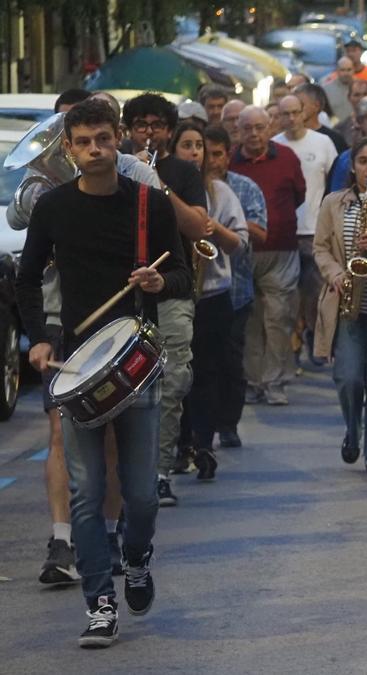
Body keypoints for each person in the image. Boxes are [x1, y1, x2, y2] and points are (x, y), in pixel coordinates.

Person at [17, 98, 189, 648]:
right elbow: (25, 279)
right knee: (88, 490)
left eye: (103, 140)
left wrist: (162, 283)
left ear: (118, 141)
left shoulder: (148, 206)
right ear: (68, 149)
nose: (95, 150)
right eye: (84, 142)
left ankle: (136, 556)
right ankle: (100, 603)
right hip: (75, 363)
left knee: (140, 496)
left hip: (136, 361)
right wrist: (39, 339)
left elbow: (184, 271)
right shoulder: (52, 209)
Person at [122, 93, 211, 501]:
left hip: (173, 287)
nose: (149, 132)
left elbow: (196, 227)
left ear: (170, 132)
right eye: (140, 124)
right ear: (128, 131)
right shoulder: (116, 170)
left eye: (157, 125)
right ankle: (130, 472)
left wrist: (157, 184)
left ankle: (160, 471)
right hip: (124, 291)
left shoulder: (183, 172)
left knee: (173, 379)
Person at [312, 138, 367, 474]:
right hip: (346, 300)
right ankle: (352, 429)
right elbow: (320, 248)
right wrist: (334, 274)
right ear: (353, 166)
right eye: (363, 161)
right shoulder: (334, 202)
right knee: (348, 378)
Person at [171, 122, 249, 480]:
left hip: (213, 294)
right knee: (177, 375)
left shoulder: (220, 192)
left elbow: (240, 245)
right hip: (175, 294)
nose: (194, 152)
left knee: (207, 372)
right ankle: (180, 442)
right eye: (186, 145)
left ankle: (203, 443)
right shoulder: (162, 192)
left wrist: (212, 228)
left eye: (199, 146)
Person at [232, 106, 307, 407]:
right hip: (243, 250)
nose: (254, 134)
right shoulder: (231, 160)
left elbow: (299, 194)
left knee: (279, 317)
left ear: (269, 126)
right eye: (247, 128)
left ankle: (275, 381)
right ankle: (252, 381)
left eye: (260, 127)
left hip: (281, 249)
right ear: (238, 130)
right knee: (249, 318)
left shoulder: (287, 157)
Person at [202, 125, 267, 450]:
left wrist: (231, 223)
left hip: (237, 289)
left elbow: (260, 232)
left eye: (217, 154)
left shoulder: (244, 187)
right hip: (203, 290)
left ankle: (228, 423)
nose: (211, 161)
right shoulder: (190, 185)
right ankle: (202, 428)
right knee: (204, 363)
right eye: (206, 153)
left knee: (230, 360)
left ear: (228, 155)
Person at [273, 94, 338, 367]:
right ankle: (292, 346)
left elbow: (334, 183)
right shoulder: (275, 144)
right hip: (286, 232)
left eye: (295, 112)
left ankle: (315, 339)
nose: (291, 118)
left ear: (303, 113)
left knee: (315, 294)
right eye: (284, 113)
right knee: (288, 295)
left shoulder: (323, 143)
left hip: (315, 230)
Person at [294, 83, 349, 155]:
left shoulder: (334, 139)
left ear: (316, 106)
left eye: (301, 104)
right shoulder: (288, 136)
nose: (296, 108)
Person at [324, 57, 359, 124]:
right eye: (342, 70)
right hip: (335, 130)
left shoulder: (362, 87)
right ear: (337, 71)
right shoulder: (326, 89)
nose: (346, 73)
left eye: (349, 70)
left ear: (354, 70)